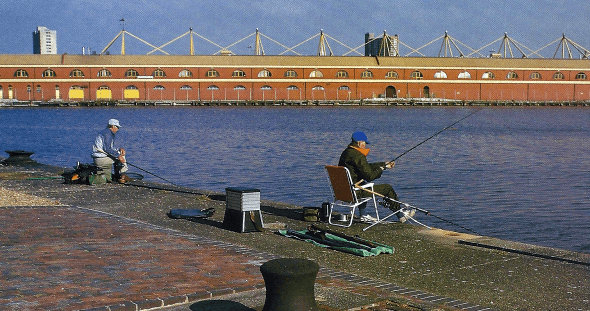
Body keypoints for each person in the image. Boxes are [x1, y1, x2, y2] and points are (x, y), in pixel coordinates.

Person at [338, 131, 415, 223]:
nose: (365, 145)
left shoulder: (346, 153)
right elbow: (370, 176)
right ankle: (401, 216)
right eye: (365, 143)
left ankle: (363, 215)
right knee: (387, 188)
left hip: (343, 192)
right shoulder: (358, 156)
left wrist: (383, 164)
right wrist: (382, 169)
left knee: (362, 183)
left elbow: (364, 167)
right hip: (355, 193)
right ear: (360, 143)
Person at [91, 119, 127, 183]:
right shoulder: (108, 134)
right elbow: (107, 149)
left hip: (97, 158)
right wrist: (119, 156)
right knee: (122, 156)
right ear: (113, 126)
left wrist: (120, 148)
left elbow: (109, 147)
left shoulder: (104, 132)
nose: (118, 129)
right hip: (101, 159)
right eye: (117, 127)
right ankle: (122, 176)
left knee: (118, 154)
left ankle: (117, 175)